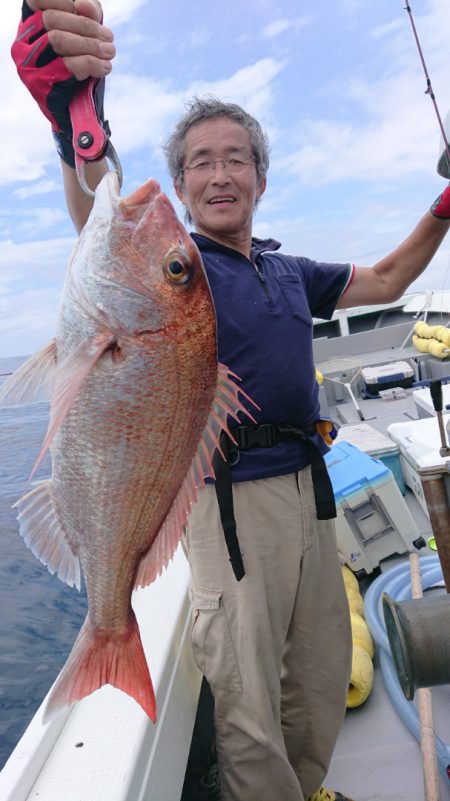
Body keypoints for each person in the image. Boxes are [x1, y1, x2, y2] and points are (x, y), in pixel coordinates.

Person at [11, 3, 450, 801]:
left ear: (260, 177)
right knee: (245, 701)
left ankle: (307, 787)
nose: (220, 174)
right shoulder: (184, 275)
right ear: (181, 183)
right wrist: (74, 116)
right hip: (227, 510)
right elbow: (97, 211)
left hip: (312, 497)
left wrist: (443, 209)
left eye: (238, 159)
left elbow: (387, 282)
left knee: (316, 676)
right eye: (202, 162)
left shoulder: (289, 271)